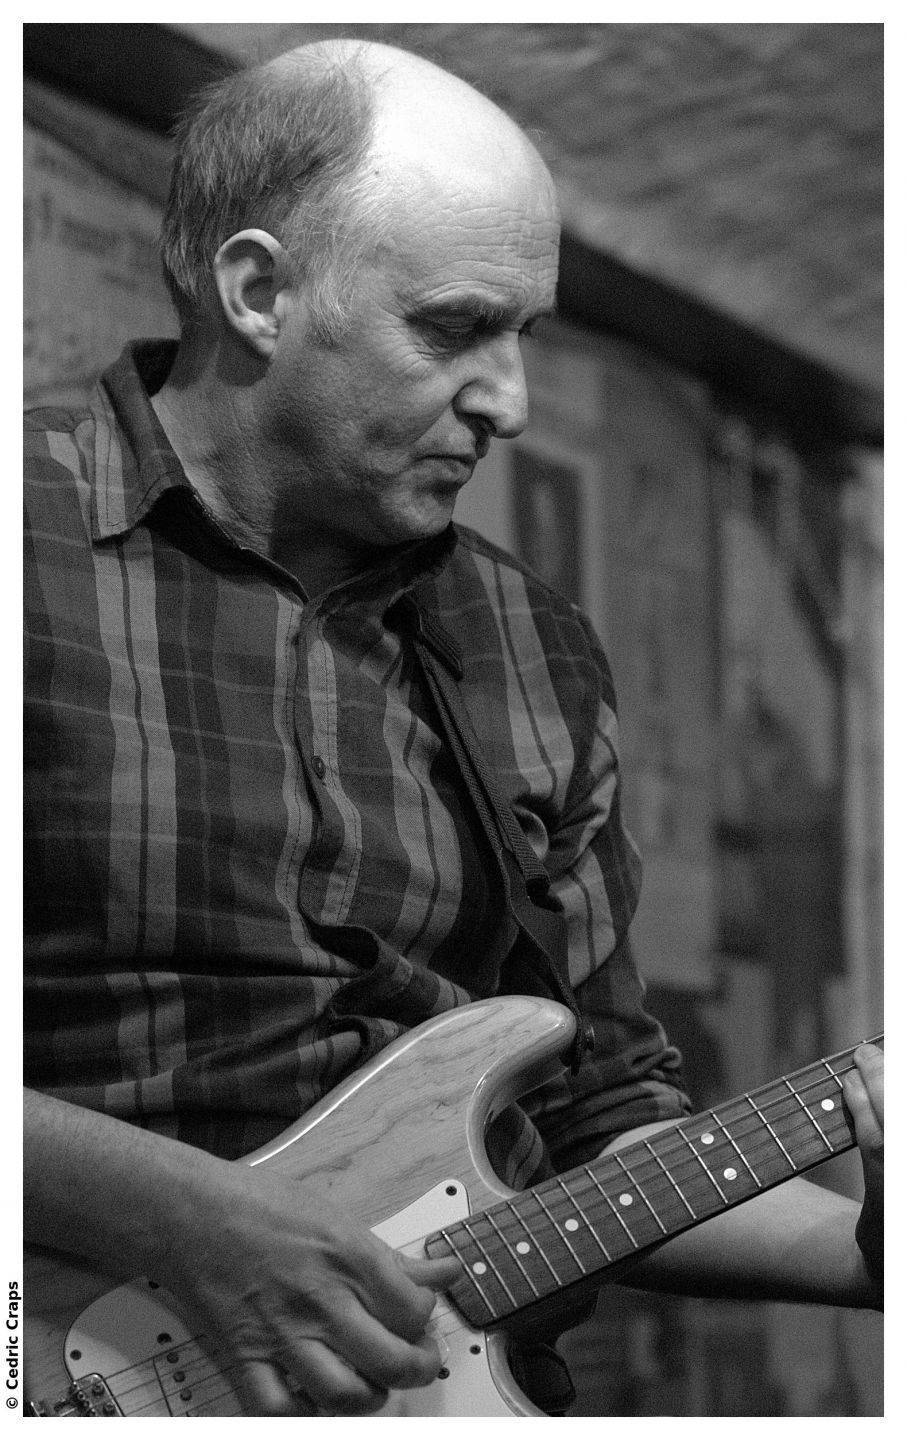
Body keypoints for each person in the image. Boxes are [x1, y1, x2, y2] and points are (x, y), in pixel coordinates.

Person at [24, 40, 883, 1418]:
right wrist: (184, 1222)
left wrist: (867, 1252)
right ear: (258, 292)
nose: (511, 403)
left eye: (524, 335)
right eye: (454, 330)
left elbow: (603, 1125)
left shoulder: (534, 648)